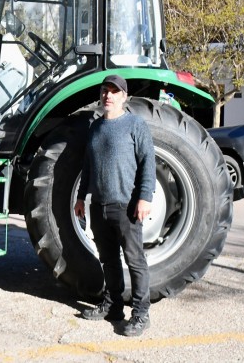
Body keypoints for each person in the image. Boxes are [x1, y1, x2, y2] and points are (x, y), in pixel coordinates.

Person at [74, 74, 156, 337]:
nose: (108, 95)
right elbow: (88, 166)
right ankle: (113, 306)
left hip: (126, 205)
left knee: (135, 260)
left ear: (124, 97)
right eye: (105, 91)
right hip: (99, 205)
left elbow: (148, 163)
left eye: (114, 91)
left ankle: (141, 314)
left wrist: (145, 197)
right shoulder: (96, 128)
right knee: (108, 259)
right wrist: (80, 197)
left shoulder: (135, 124)